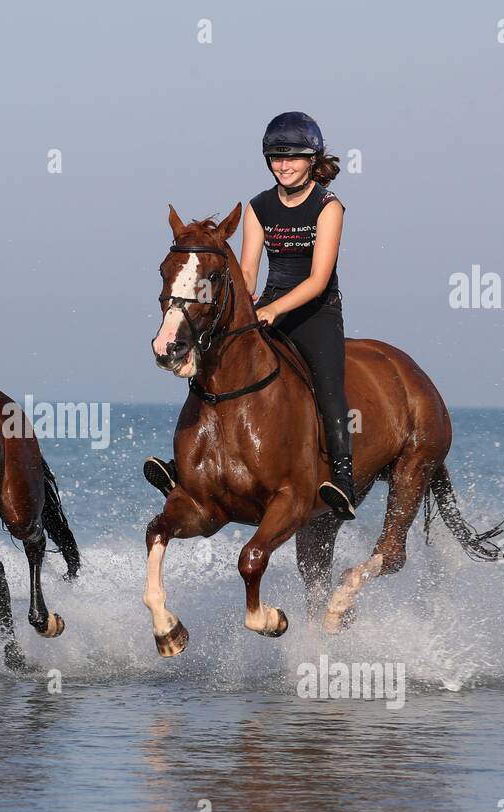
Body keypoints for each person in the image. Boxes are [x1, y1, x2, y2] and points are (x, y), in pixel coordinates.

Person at [143, 111, 357, 520]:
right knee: (213, 364)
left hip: (316, 311)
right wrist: (222, 291)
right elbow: (247, 273)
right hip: (269, 303)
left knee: (329, 387)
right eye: (277, 158)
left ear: (312, 159)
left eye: (293, 157)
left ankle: (342, 479)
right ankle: (184, 467)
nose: (284, 165)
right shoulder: (259, 207)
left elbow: (318, 278)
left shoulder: (328, 206)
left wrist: (273, 308)